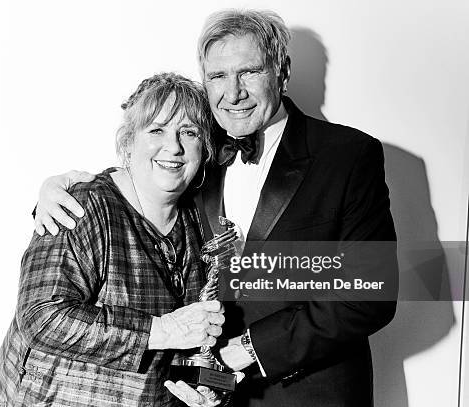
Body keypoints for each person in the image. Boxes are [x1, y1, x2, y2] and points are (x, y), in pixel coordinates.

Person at [33, 9, 398, 407]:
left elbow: (370, 293)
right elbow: (143, 176)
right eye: (218, 76)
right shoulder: (200, 151)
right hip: (204, 392)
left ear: (283, 71)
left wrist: (247, 351)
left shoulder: (348, 156)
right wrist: (59, 190)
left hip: (309, 392)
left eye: (250, 72)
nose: (233, 92)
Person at [0, 73, 229, 407]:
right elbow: (42, 317)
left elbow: (194, 346)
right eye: (156, 129)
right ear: (128, 142)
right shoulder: (83, 205)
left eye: (188, 132)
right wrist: (161, 330)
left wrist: (213, 387)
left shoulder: (198, 221)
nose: (174, 146)